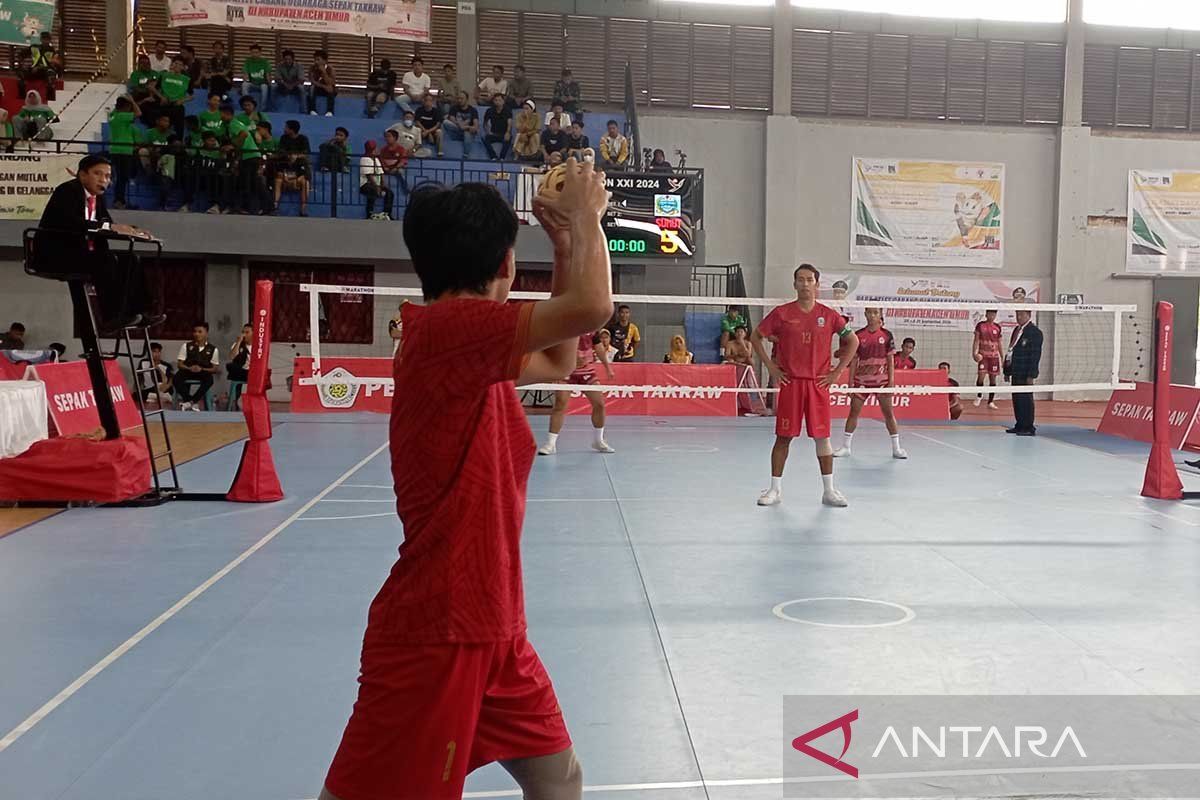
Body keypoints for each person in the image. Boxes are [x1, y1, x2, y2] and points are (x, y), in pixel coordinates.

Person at [318, 161, 612, 800]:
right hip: (439, 629)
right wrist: (589, 217)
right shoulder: (451, 330)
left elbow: (562, 356)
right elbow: (593, 305)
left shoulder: (472, 344)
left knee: (558, 780)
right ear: (506, 264)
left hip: (497, 625)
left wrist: (564, 245)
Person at [751, 264, 858, 508]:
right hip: (791, 384)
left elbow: (852, 340)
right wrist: (771, 367)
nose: (805, 284)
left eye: (810, 279)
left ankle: (829, 490)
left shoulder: (829, 315)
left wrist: (837, 372)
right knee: (783, 437)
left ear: (817, 284)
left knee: (823, 438)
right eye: (801, 279)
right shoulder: (781, 313)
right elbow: (756, 337)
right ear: (795, 284)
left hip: (818, 385)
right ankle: (775, 489)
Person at [33, 154, 159, 332]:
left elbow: (108, 222)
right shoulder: (67, 191)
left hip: (82, 254)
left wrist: (133, 229)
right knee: (104, 260)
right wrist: (110, 226)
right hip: (55, 254)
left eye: (107, 176)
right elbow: (71, 222)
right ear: (82, 175)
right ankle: (111, 318)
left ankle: (139, 313)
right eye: (98, 174)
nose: (104, 180)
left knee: (131, 259)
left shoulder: (97, 198)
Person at [832, 307, 907, 460]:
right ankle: (846, 447)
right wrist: (850, 382)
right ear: (865, 314)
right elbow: (854, 360)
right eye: (869, 312)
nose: (872, 315)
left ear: (880, 315)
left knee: (888, 414)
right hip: (861, 381)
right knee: (853, 413)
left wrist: (891, 381)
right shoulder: (859, 335)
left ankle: (896, 448)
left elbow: (890, 359)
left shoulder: (886, 335)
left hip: (882, 381)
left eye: (875, 313)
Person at [537, 332, 616, 457]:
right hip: (565, 369)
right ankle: (551, 444)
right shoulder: (564, 326)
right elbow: (552, 347)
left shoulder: (592, 327)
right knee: (560, 404)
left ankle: (598, 440)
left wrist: (607, 368)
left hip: (586, 370)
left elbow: (598, 347)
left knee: (599, 404)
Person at [1005, 309, 1042, 436]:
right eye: (1017, 314)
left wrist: (1032, 375)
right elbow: (1011, 350)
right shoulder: (1016, 330)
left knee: (1026, 399)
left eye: (1021, 314)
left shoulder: (1035, 332)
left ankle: (1028, 427)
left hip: (1026, 372)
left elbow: (1035, 356)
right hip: (1015, 370)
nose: (1019, 317)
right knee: (1017, 399)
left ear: (1029, 315)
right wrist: (1007, 370)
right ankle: (1020, 424)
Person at [173, 322, 219, 410]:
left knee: (210, 380)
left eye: (200, 331)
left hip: (202, 371)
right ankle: (191, 401)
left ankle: (190, 402)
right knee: (176, 378)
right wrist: (189, 368)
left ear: (206, 333)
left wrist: (201, 369)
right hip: (188, 371)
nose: (196, 334)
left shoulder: (213, 349)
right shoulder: (186, 346)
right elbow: (180, 364)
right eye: (195, 331)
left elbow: (215, 369)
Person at [972, 309, 1003, 409]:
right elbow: (976, 340)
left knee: (993, 378)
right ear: (986, 314)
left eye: (994, 314)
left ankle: (991, 401)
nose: (992, 316)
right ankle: (979, 396)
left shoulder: (998, 327)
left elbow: (999, 343)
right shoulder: (980, 325)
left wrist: (1003, 357)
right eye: (990, 314)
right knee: (981, 376)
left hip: (994, 357)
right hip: (983, 356)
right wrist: (974, 353)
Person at [359, 140, 393, 220]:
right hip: (366, 184)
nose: (377, 149)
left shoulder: (376, 159)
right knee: (372, 191)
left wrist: (382, 184)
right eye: (375, 148)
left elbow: (381, 173)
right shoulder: (364, 159)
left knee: (390, 193)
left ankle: (386, 213)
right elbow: (369, 175)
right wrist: (377, 187)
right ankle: (369, 213)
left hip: (377, 184)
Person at [138, 341, 174, 405]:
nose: (157, 354)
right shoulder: (143, 362)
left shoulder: (166, 365)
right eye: (154, 351)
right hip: (150, 388)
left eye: (159, 352)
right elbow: (139, 377)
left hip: (162, 387)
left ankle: (153, 397)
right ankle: (160, 397)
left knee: (165, 388)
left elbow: (170, 380)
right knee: (136, 394)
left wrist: (166, 387)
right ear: (149, 352)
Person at [242, 43, 272, 111]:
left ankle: (262, 109)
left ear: (260, 53)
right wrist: (245, 81)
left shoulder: (264, 62)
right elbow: (245, 74)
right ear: (250, 53)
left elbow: (268, 74)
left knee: (265, 87)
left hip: (262, 83)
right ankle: (246, 105)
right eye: (252, 52)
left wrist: (269, 84)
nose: (254, 54)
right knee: (244, 85)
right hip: (252, 83)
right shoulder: (248, 61)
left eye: (256, 52)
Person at [483, 93, 512, 160]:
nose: (497, 102)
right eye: (496, 100)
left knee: (508, 138)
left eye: (499, 100)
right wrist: (488, 131)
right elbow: (485, 123)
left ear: (503, 101)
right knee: (485, 138)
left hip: (503, 134)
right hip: (493, 133)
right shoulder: (489, 110)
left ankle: (502, 158)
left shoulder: (507, 110)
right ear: (493, 101)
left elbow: (510, 123)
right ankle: (493, 157)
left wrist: (508, 132)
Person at [308, 50, 337, 116]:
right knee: (311, 88)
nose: (316, 62)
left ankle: (330, 111)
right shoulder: (312, 68)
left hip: (328, 88)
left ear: (324, 61)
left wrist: (324, 72)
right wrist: (323, 86)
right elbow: (312, 81)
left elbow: (331, 82)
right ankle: (312, 110)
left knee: (331, 89)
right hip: (318, 88)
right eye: (315, 60)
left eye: (318, 60)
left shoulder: (331, 69)